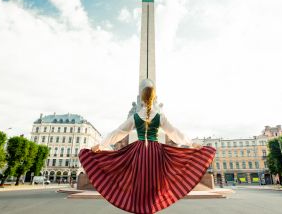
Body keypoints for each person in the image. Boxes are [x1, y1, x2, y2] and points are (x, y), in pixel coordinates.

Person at [79, 79, 216, 214]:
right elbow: (174, 132)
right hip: (156, 154)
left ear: (142, 100)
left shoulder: (135, 116)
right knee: (154, 188)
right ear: (154, 98)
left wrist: (101, 145)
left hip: (138, 153)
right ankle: (150, 210)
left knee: (139, 186)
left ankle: (140, 209)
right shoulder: (160, 116)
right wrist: (191, 144)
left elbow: (118, 132)